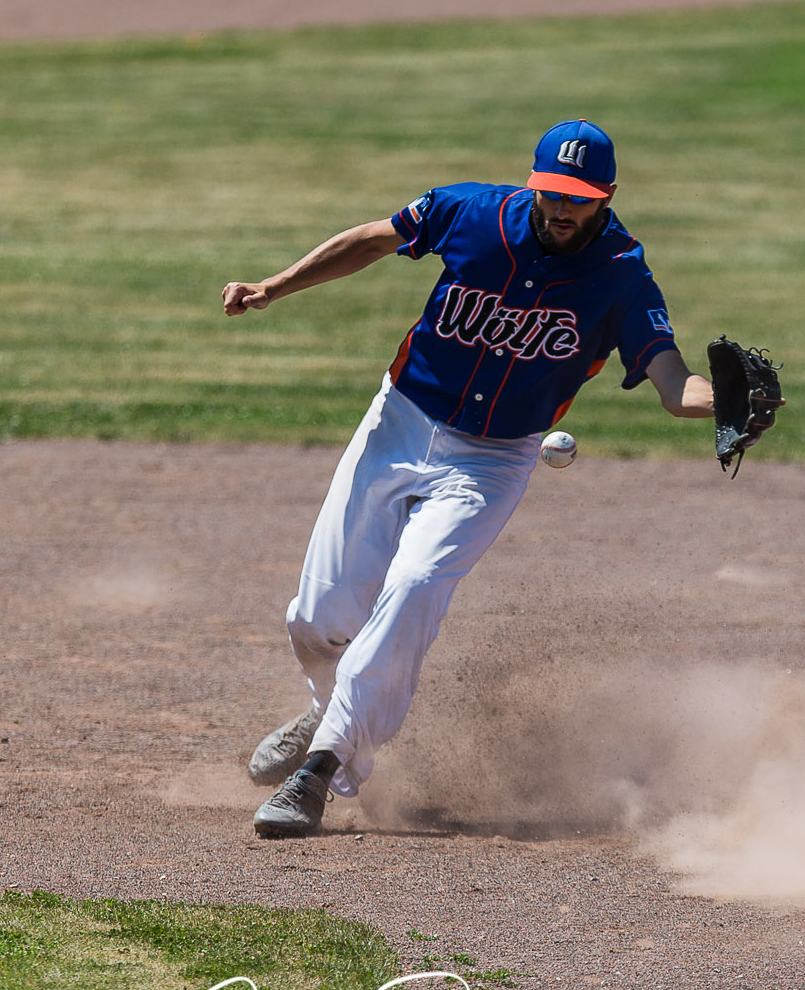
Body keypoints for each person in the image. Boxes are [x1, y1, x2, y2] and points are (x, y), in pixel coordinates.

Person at [222, 120, 751, 837]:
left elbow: (672, 383)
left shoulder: (623, 275)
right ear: (533, 183)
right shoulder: (472, 212)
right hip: (398, 421)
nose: (562, 208)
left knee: (414, 587)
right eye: (552, 192)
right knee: (318, 619)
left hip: (492, 461)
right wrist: (274, 286)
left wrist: (727, 403)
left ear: (607, 196)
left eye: (580, 198)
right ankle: (329, 710)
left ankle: (322, 766)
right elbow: (375, 238)